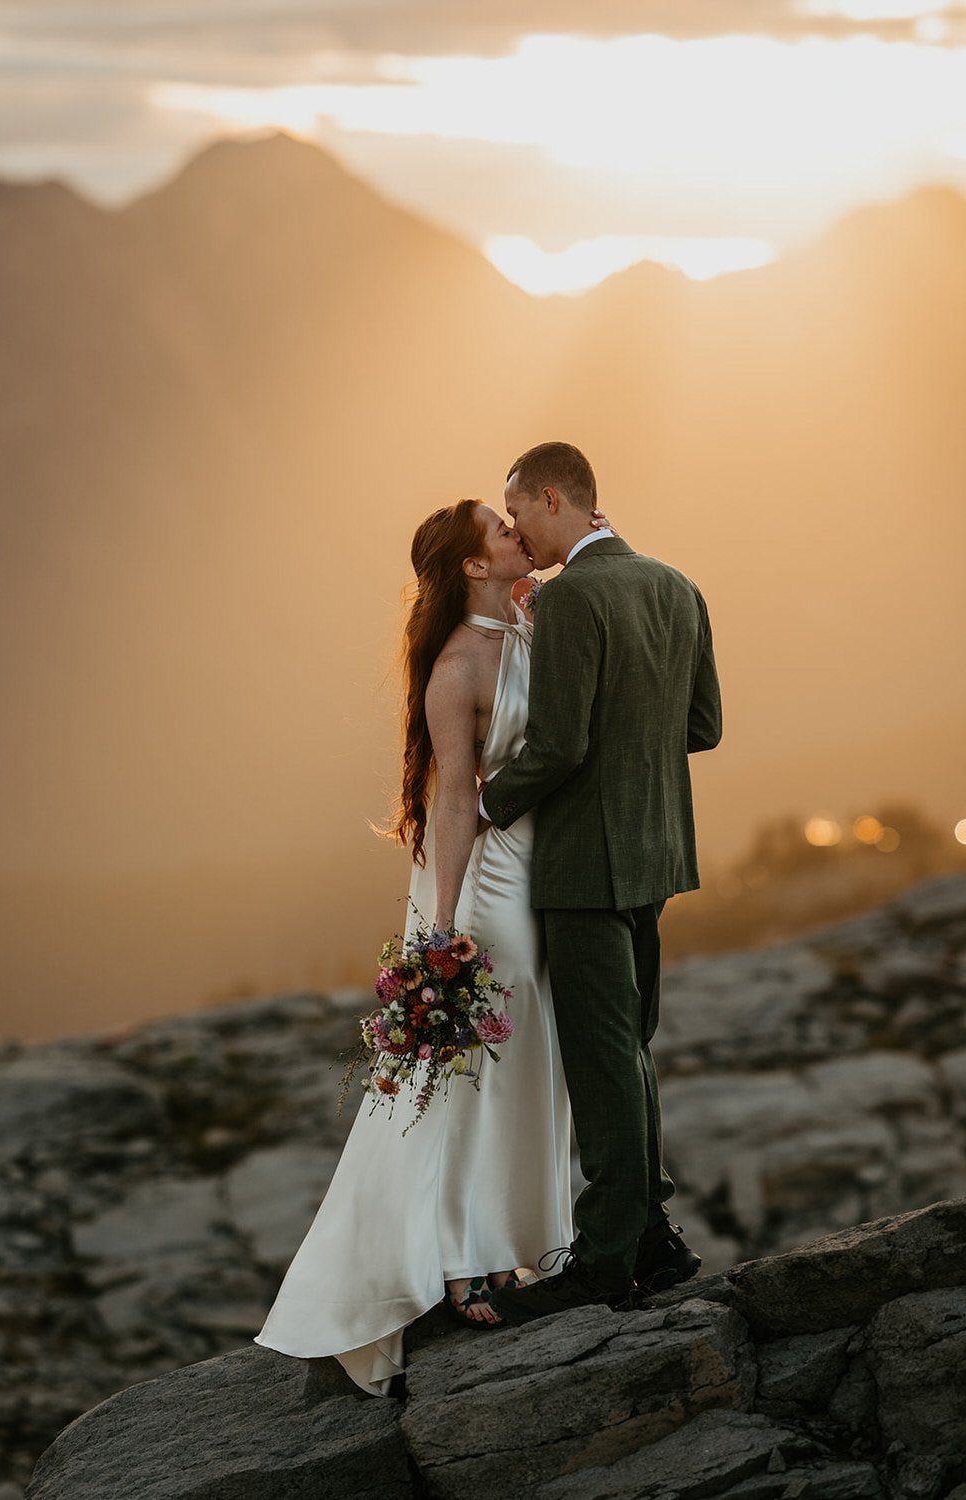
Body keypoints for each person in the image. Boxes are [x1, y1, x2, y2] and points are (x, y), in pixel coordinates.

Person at [255, 497, 581, 1395]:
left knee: (529, 1053)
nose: (519, 536)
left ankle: (517, 1239)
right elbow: (450, 800)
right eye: (501, 532)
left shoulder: (529, 620)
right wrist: (441, 932)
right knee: (478, 1065)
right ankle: (459, 1254)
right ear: (474, 566)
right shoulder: (456, 666)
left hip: (546, 861)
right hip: (489, 884)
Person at [482, 441, 722, 1326]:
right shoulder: (676, 585)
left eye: (520, 514)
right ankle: (654, 1238)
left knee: (601, 1060)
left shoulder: (574, 595)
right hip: (659, 853)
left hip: (585, 862)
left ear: (556, 499)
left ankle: (607, 1257)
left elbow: (558, 747)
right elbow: (704, 724)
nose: (518, 533)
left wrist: (482, 805)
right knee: (633, 1050)